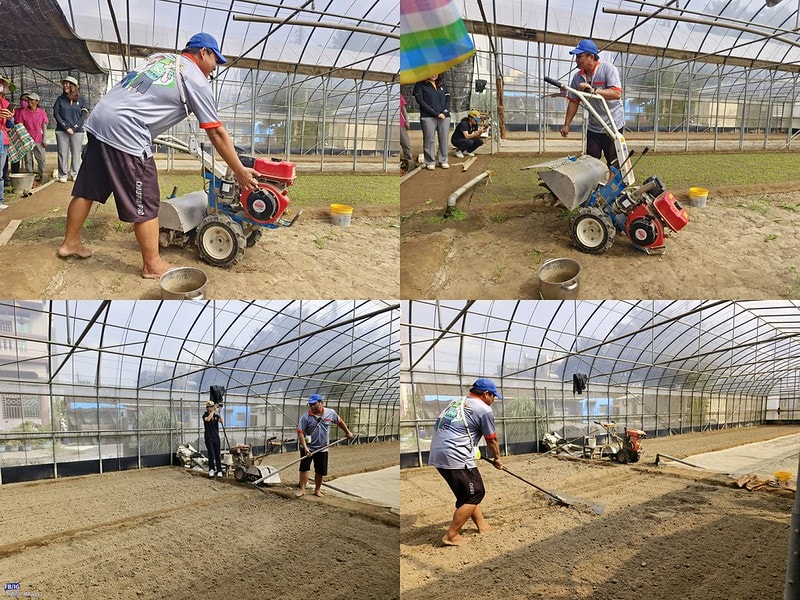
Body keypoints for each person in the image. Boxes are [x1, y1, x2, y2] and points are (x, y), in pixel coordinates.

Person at [56, 32, 259, 279]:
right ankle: (152, 265)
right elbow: (216, 133)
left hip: (101, 119)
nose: (214, 69)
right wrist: (239, 171)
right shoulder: (195, 78)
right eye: (215, 60)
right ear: (203, 53)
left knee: (87, 189)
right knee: (147, 201)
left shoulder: (160, 58)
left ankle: (70, 243)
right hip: (127, 129)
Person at [428, 377, 504, 546]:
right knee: (475, 493)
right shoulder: (483, 409)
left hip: (438, 452)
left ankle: (482, 526)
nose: (493, 400)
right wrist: (497, 458)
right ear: (486, 394)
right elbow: (491, 438)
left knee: (468, 494)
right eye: (493, 396)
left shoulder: (457, 401)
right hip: (456, 454)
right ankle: (451, 535)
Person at [559, 39, 625, 167]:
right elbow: (574, 101)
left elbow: (617, 93)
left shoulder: (607, 69)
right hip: (594, 125)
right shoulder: (577, 77)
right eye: (576, 57)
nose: (577, 60)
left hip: (613, 124)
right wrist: (566, 124)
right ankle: (596, 186)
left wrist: (594, 91)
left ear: (591, 57)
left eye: (580, 56)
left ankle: (613, 186)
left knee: (614, 162)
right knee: (590, 162)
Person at [295, 393, 354, 498]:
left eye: (314, 404)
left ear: (321, 403)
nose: (312, 406)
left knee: (320, 470)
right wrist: (305, 448)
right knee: (304, 468)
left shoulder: (330, 413)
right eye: (310, 405)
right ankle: (302, 489)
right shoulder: (305, 417)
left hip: (323, 448)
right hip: (308, 446)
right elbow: (300, 432)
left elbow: (339, 422)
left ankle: (317, 490)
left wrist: (347, 432)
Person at [53, 76, 90, 183]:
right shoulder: (60, 99)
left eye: (67, 83)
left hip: (77, 131)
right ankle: (62, 175)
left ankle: (75, 174)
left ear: (74, 86)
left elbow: (83, 116)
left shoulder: (81, 100)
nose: (65, 85)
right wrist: (65, 127)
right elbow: (56, 114)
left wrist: (74, 128)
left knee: (76, 153)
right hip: (61, 130)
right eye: (64, 84)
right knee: (62, 152)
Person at [413, 73, 451, 170]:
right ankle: (430, 161)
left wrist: (445, 112)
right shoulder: (420, 85)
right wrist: (435, 113)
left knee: (443, 139)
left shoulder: (442, 85)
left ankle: (443, 160)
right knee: (429, 139)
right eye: (431, 72)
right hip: (428, 116)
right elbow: (420, 101)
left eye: (436, 72)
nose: (434, 74)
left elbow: (448, 99)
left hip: (444, 117)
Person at [15, 93, 49, 183]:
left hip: (38, 138)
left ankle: (42, 176)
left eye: (31, 100)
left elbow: (44, 125)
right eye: (28, 99)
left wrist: (44, 139)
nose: (29, 101)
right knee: (28, 160)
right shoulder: (23, 112)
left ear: (37, 101)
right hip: (27, 139)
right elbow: (20, 126)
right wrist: (22, 139)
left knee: (41, 159)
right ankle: (30, 178)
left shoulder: (41, 112)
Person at [0, 75, 15, 211]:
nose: (3, 87)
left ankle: (0, 200)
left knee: (0, 171)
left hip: (3, 138)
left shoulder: (6, 103)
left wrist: (10, 118)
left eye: (4, 84)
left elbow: (10, 124)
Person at [202, 399, 224, 478]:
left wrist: (219, 413)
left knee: (217, 454)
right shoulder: (205, 415)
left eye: (212, 406)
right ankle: (211, 469)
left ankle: (219, 470)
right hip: (208, 437)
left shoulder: (215, 415)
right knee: (211, 453)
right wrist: (213, 411)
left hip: (216, 437)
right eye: (210, 407)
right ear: (207, 408)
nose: (211, 408)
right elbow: (207, 419)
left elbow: (221, 421)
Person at [399, 94, 415, 171]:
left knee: (406, 143)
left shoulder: (399, 96)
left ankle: (409, 162)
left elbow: (403, 109)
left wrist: (407, 121)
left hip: (400, 124)